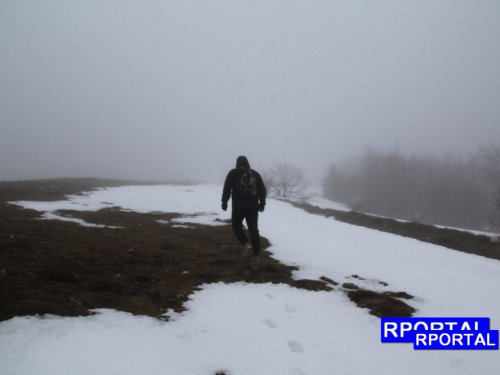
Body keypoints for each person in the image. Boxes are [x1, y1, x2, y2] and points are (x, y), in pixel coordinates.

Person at [221, 156, 266, 264]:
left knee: (236, 226)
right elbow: (262, 190)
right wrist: (262, 204)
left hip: (238, 206)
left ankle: (246, 243)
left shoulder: (233, 173)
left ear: (237, 163)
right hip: (253, 207)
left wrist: (224, 202)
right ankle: (255, 255)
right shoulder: (255, 174)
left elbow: (227, 188)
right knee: (253, 230)